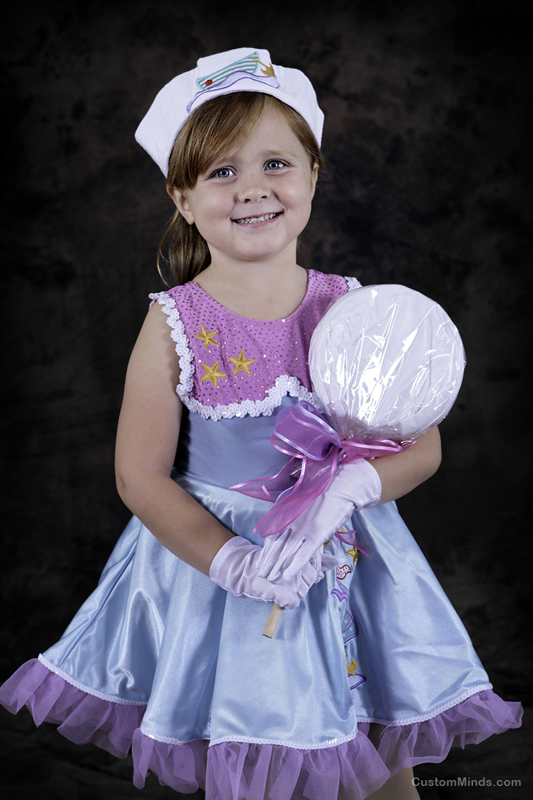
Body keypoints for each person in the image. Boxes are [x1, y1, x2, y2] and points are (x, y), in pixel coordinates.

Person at [0, 48, 522, 800]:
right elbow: (137, 475)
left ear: (312, 177)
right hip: (226, 580)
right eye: (221, 172)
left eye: (276, 163)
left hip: (347, 568)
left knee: (378, 760)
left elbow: (423, 441)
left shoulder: (352, 307)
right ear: (182, 198)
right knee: (260, 757)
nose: (252, 189)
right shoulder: (176, 323)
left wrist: (350, 490)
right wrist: (232, 563)